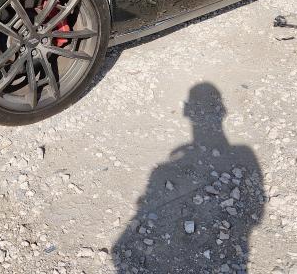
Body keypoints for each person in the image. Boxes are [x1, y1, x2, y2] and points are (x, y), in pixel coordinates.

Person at [112, 83, 265, 273]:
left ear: (187, 111)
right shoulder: (244, 153)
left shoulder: (243, 153)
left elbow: (256, 214)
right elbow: (257, 213)